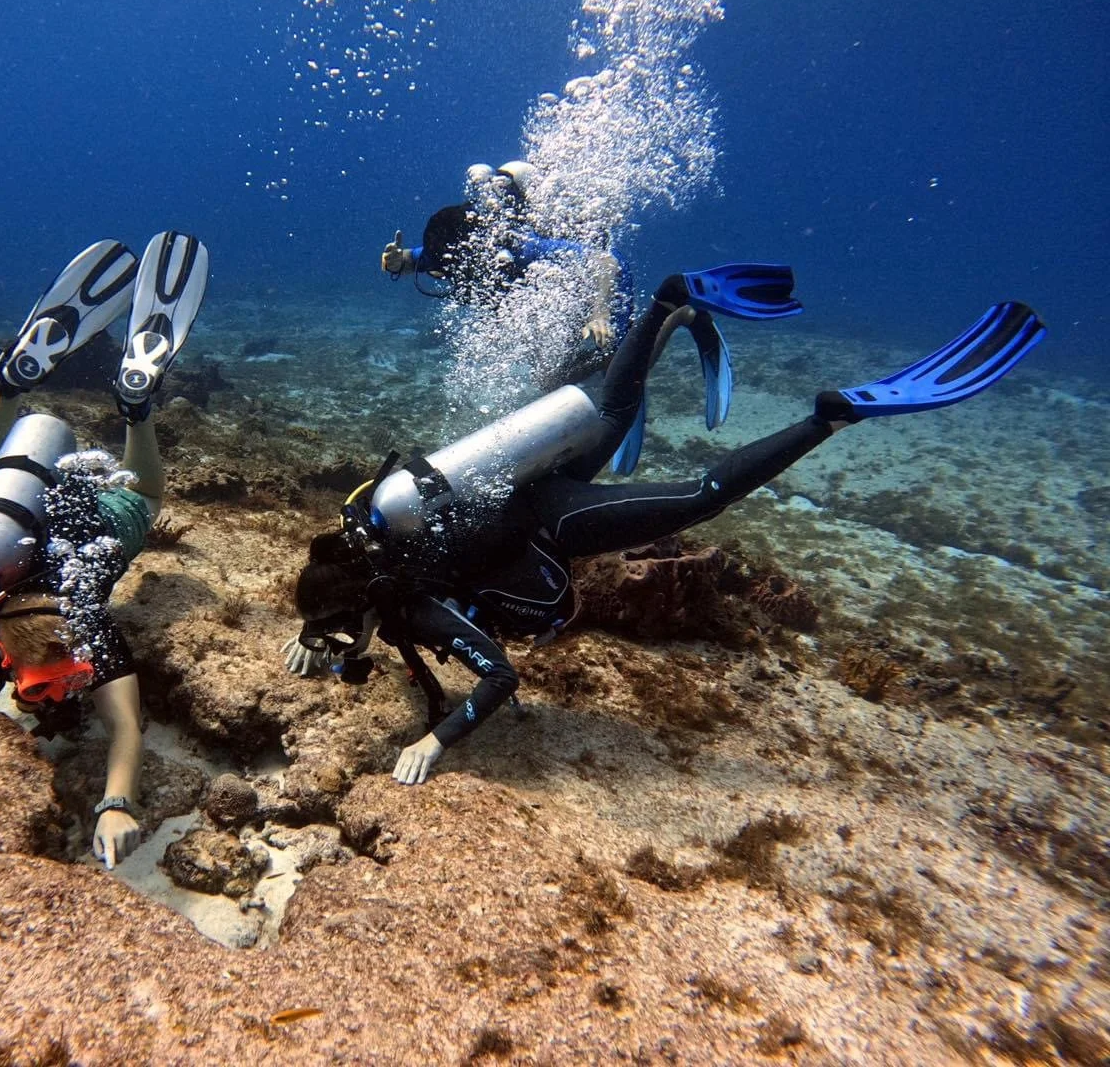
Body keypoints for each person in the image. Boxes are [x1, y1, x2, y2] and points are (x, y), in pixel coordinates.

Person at [287, 263, 1046, 785]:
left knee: (701, 498)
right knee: (614, 411)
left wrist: (436, 739)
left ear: (359, 605)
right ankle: (666, 300)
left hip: (553, 519)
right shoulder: (364, 533)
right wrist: (315, 625)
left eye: (333, 635)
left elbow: (500, 675)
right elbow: (342, 578)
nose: (335, 651)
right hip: (517, 484)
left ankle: (830, 417)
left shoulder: (406, 600)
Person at [0, 233, 210, 868]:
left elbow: (125, 731)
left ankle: (95, 407)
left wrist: (117, 802)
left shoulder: (85, 627)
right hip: (29, 529)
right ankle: (32, 392)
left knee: (137, 501)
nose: (58, 698)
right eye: (49, 694)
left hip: (63, 524)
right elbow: (123, 731)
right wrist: (112, 802)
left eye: (47, 691)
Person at [379, 160, 635, 368]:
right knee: (550, 379)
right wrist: (393, 261)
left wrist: (600, 314)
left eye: (444, 269)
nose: (438, 272)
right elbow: (410, 260)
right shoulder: (445, 253)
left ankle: (664, 312)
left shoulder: (522, 249)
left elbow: (606, 261)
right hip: (558, 297)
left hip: (601, 286)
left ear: (471, 256)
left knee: (616, 360)